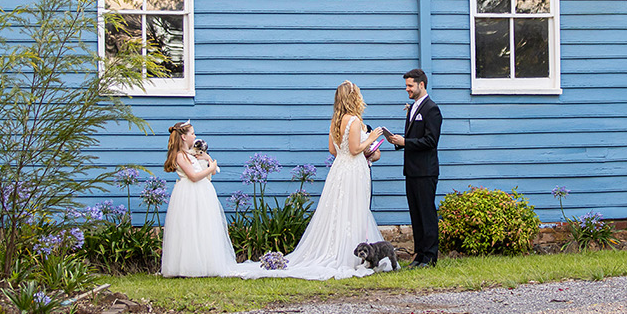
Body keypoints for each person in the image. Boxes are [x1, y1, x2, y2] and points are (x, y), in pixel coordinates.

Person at [239, 81, 388, 280]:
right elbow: (354, 150)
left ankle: (343, 250)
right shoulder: (352, 120)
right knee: (352, 208)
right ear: (353, 97)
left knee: (339, 209)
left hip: (340, 169)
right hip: (352, 169)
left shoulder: (335, 120)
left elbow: (333, 150)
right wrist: (371, 138)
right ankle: (348, 257)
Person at [160, 121, 249, 277]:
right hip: (189, 192)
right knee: (190, 227)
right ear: (183, 137)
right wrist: (211, 168)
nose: (194, 136)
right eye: (192, 133)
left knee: (203, 226)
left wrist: (207, 159)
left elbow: (205, 172)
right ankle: (188, 265)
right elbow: (193, 176)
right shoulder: (180, 156)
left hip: (201, 192)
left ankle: (205, 263)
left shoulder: (191, 154)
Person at [385, 68, 442, 267]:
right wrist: (396, 141)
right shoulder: (413, 108)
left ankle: (430, 256)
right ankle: (419, 254)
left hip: (426, 171)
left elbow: (430, 141)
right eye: (406, 85)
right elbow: (412, 137)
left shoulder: (431, 109)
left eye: (410, 86)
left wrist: (405, 142)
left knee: (426, 214)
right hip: (411, 170)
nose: (407, 89)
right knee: (415, 214)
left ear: (421, 85)